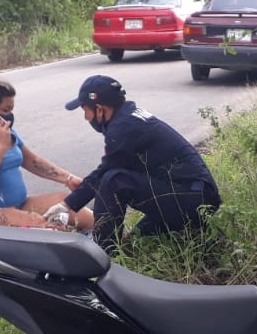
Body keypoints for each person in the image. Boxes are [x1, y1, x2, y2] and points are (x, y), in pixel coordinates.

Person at [45, 75, 221, 253]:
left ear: (99, 109)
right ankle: (197, 236)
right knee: (133, 243)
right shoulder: (129, 117)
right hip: (193, 194)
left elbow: (106, 172)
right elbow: (120, 164)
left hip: (192, 198)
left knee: (113, 180)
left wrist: (66, 205)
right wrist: (84, 188)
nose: (85, 117)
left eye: (85, 110)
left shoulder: (124, 127)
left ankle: (103, 253)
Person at [0, 75, 94, 230]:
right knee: (43, 225)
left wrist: (68, 178)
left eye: (11, 110)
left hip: (17, 205)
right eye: (5, 110)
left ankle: (108, 240)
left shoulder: (4, 131)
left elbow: (31, 161)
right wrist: (0, 146)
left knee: (67, 203)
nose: (9, 116)